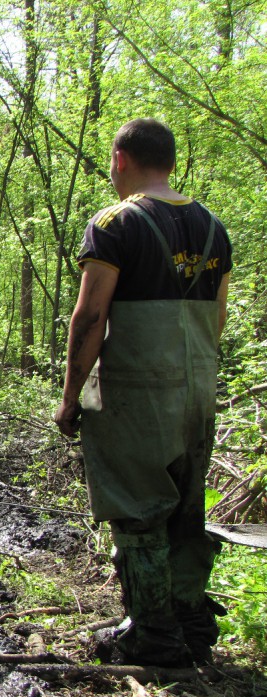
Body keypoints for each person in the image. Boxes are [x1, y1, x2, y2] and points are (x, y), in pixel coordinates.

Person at [54, 118, 232, 667]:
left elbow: (90, 316)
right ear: (171, 162)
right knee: (185, 509)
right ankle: (190, 622)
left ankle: (153, 635)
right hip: (198, 388)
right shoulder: (212, 226)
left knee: (138, 511)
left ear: (121, 159)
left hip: (137, 389)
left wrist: (71, 396)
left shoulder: (116, 223)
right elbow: (218, 315)